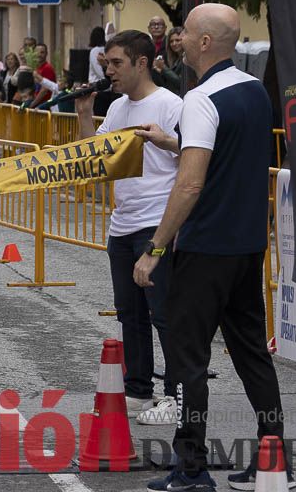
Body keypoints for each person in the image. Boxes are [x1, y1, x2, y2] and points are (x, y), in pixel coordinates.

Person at [135, 3, 288, 492]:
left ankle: (191, 467)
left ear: (204, 42)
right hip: (247, 246)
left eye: (184, 32)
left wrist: (155, 248)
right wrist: (170, 141)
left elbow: (190, 185)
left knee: (188, 362)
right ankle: (274, 458)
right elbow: (224, 154)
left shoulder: (201, 98)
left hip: (205, 249)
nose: (177, 38)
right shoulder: (253, 91)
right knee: (252, 354)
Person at [75, 30, 182, 426]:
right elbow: (95, 159)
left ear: (142, 63)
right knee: (130, 314)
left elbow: (194, 155)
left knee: (164, 313)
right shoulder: (118, 108)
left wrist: (166, 141)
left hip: (156, 222)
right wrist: (84, 114)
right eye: (107, 64)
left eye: (117, 63)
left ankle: (177, 394)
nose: (109, 71)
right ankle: (138, 389)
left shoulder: (171, 104)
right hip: (122, 224)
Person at [154, 26, 185, 96]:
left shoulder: (187, 59)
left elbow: (181, 83)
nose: (174, 44)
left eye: (177, 40)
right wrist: (161, 71)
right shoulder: (175, 59)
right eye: (171, 41)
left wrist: (164, 68)